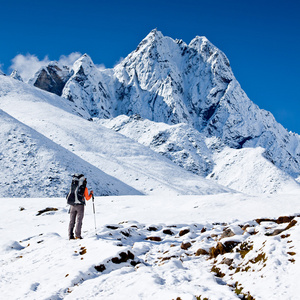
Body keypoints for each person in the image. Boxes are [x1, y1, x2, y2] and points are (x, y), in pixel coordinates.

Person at [67, 175, 93, 240]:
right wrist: (91, 194)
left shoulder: (73, 186)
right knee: (79, 221)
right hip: (80, 206)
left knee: (71, 221)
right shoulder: (84, 188)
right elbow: (87, 198)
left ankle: (70, 235)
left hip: (72, 205)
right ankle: (77, 236)